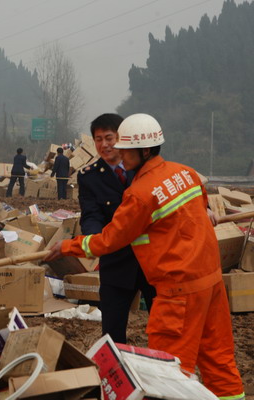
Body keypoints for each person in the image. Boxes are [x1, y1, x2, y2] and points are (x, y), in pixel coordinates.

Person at [45, 113, 244, 400]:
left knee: (168, 376)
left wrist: (68, 246)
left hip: (177, 293)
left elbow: (111, 238)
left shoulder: (139, 193)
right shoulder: (185, 173)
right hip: (210, 282)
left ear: (145, 150)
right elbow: (198, 209)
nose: (120, 154)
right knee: (219, 360)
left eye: (126, 150)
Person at [79, 113, 155, 344]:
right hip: (116, 261)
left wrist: (205, 207)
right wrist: (93, 238)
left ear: (122, 137)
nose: (104, 144)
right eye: (98, 139)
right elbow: (91, 214)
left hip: (153, 260)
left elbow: (172, 189)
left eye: (109, 138)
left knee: (165, 327)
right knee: (112, 332)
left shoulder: (145, 166)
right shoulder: (89, 177)